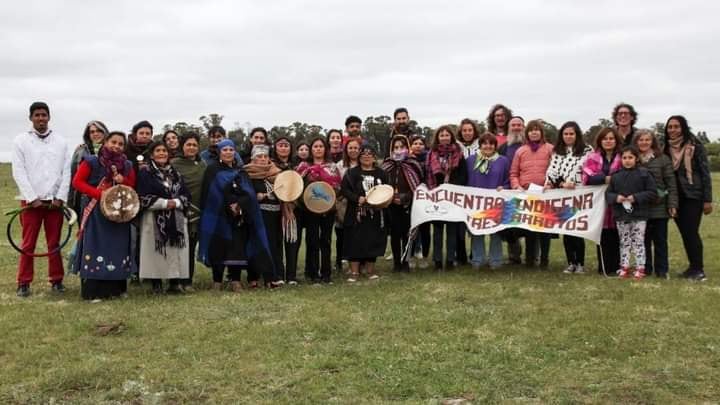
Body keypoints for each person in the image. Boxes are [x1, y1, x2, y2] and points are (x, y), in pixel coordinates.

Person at [11, 102, 71, 297]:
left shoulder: (61, 142)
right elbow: (18, 172)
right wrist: (32, 198)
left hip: (54, 203)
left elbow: (66, 171)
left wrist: (60, 197)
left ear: (49, 117)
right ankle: (24, 282)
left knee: (54, 243)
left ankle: (57, 280)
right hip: (31, 203)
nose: (41, 118)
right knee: (28, 243)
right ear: (31, 118)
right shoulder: (21, 141)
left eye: (44, 115)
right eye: (37, 115)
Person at [71, 131, 136, 300]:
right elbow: (77, 182)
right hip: (95, 213)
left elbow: (132, 186)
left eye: (121, 144)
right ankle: (93, 292)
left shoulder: (127, 165)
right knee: (97, 247)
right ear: (106, 142)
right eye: (113, 142)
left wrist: (123, 181)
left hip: (119, 213)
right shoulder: (92, 161)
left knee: (117, 249)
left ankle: (116, 289)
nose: (116, 146)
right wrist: (102, 196)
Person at [199, 139, 268, 292]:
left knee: (237, 248)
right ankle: (217, 281)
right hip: (219, 215)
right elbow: (210, 193)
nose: (228, 152)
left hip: (238, 217)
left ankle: (235, 280)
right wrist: (228, 204)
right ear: (220, 153)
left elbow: (248, 193)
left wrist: (239, 205)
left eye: (231, 149)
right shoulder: (212, 170)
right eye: (225, 150)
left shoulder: (240, 171)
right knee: (218, 248)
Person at [136, 141, 191, 294]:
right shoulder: (145, 173)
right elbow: (142, 196)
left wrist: (178, 202)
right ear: (152, 154)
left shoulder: (175, 173)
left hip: (176, 217)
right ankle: (156, 284)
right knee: (156, 251)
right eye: (158, 150)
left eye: (164, 151)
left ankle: (174, 282)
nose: (162, 153)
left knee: (175, 249)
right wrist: (166, 203)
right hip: (154, 217)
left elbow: (186, 193)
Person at [663, 115, 713, 281]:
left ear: (683, 128)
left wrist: (707, 199)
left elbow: (705, 173)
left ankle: (698, 269)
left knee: (691, 232)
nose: (673, 130)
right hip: (675, 198)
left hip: (693, 196)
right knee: (685, 233)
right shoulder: (665, 148)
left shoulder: (695, 146)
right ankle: (692, 267)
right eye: (670, 127)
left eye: (676, 126)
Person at [545, 121, 593, 274]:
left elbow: (588, 170)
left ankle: (580, 263)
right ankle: (570, 262)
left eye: (571, 133)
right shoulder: (557, 151)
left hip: (579, 194)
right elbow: (553, 171)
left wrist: (573, 182)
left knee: (577, 230)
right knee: (566, 230)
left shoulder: (586, 150)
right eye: (565, 134)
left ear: (577, 134)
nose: (568, 136)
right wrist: (557, 183)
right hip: (562, 195)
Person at [606, 146, 657, 279]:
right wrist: (616, 198)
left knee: (638, 241)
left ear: (636, 158)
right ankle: (624, 267)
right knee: (624, 241)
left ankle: (640, 267)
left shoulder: (644, 174)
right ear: (621, 159)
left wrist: (636, 197)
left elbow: (652, 193)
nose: (627, 161)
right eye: (624, 158)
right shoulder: (615, 177)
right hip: (621, 215)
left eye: (630, 157)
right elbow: (608, 194)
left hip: (639, 215)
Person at [296, 137, 342, 283]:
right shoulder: (303, 167)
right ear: (311, 149)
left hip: (328, 208)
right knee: (312, 240)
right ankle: (313, 273)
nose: (318, 149)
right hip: (309, 209)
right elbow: (297, 187)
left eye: (321, 146)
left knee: (326, 241)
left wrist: (329, 200)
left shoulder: (332, 167)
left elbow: (338, 187)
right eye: (315, 146)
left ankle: (326, 273)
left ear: (325, 148)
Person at [509, 119, 554, 268]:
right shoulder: (521, 151)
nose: (534, 132)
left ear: (541, 132)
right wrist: (517, 186)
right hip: (526, 194)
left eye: (537, 129)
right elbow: (514, 173)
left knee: (544, 228)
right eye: (531, 130)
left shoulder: (550, 149)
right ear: (527, 133)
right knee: (529, 229)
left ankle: (544, 260)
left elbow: (555, 171)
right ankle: (529, 259)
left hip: (545, 194)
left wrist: (550, 183)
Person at [633, 129, 678, 279]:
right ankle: (645, 268)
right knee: (643, 240)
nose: (644, 143)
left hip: (659, 205)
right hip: (640, 206)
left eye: (647, 140)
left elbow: (671, 183)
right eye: (641, 140)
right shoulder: (632, 158)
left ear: (652, 141)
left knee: (660, 240)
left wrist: (672, 204)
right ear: (636, 142)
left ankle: (662, 270)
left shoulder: (663, 159)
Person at [341, 144, 388, 282]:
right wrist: (357, 198)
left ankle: (370, 270)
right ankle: (354, 272)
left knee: (372, 240)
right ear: (359, 157)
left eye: (370, 154)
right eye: (363, 154)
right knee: (354, 240)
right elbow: (345, 189)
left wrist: (382, 201)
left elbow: (387, 189)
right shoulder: (351, 173)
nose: (366, 156)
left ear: (374, 157)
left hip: (375, 214)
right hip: (356, 213)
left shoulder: (382, 174)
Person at [465, 133, 510, 270]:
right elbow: (465, 179)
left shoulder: (503, 161)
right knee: (477, 231)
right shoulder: (471, 160)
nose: (488, 146)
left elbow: (508, 179)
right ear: (480, 145)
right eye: (484, 143)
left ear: (495, 146)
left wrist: (505, 187)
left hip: (496, 202)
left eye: (491, 143)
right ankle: (478, 260)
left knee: (495, 232)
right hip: (476, 202)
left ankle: (495, 261)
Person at [582, 127, 623, 276]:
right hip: (599, 202)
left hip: (618, 200)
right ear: (600, 141)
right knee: (603, 234)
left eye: (611, 138)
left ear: (616, 140)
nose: (608, 141)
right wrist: (608, 179)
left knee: (618, 234)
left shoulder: (623, 156)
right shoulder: (592, 157)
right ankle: (604, 266)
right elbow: (587, 178)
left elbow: (626, 176)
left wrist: (607, 179)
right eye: (605, 138)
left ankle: (618, 266)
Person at [426, 125, 467, 270]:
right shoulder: (431, 154)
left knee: (452, 231)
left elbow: (463, 175)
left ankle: (450, 260)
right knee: (437, 231)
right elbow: (428, 174)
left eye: (447, 135)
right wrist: (436, 190)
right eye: (441, 135)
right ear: (437, 137)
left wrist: (451, 187)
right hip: (436, 197)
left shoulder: (459, 154)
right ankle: (437, 261)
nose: (444, 137)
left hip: (453, 197)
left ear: (451, 137)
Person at [170, 133, 207, 291]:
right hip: (177, 210)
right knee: (176, 247)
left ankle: (187, 281)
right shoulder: (173, 164)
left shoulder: (202, 165)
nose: (191, 148)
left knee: (190, 247)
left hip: (198, 211)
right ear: (182, 146)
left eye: (194, 145)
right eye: (188, 144)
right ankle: (174, 282)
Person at [381, 135, 423, 272]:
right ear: (391, 149)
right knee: (394, 234)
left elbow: (418, 186)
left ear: (407, 148)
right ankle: (396, 263)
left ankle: (405, 261)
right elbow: (381, 186)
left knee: (407, 234)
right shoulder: (386, 165)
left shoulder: (413, 164)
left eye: (402, 147)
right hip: (391, 205)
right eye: (396, 148)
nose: (399, 150)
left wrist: (406, 198)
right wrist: (390, 197)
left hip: (408, 205)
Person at [246, 144, 283, 288]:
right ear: (253, 159)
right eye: (259, 157)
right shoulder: (247, 174)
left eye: (265, 156)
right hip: (258, 214)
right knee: (256, 245)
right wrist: (255, 196)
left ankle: (271, 278)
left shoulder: (276, 174)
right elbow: (243, 193)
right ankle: (253, 277)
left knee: (272, 246)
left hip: (274, 215)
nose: (262, 159)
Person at [273, 136, 301, 285]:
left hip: (294, 208)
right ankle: (278, 275)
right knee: (277, 242)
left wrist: (292, 203)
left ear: (291, 149)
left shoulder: (296, 166)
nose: (283, 148)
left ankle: (291, 276)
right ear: (275, 148)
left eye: (286, 145)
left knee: (292, 241)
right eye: (280, 145)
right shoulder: (271, 166)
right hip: (276, 209)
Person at [498, 116, 525, 264]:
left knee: (532, 224)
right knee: (510, 224)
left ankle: (533, 256)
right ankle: (514, 256)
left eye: (518, 125)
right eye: (513, 125)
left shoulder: (530, 144)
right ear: (509, 128)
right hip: (509, 189)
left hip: (528, 189)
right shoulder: (503, 148)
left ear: (523, 127)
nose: (516, 127)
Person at [69, 121, 109, 215]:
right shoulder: (80, 151)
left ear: (105, 132)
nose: (95, 134)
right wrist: (70, 201)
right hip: (84, 197)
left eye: (99, 131)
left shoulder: (112, 149)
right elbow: (72, 175)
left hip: (106, 196)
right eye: (92, 132)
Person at [335, 137, 361, 274]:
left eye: (356, 148)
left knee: (358, 234)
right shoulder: (340, 165)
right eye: (350, 148)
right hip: (343, 203)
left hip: (360, 203)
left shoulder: (364, 163)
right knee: (342, 233)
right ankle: (341, 260)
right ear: (346, 149)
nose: (353, 150)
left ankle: (359, 261)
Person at [409, 135, 431, 268]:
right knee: (411, 229)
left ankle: (424, 257)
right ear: (411, 146)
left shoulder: (429, 160)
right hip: (411, 199)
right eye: (415, 143)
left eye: (420, 143)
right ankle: (410, 255)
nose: (418, 146)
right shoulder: (406, 160)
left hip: (426, 199)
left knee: (425, 229)